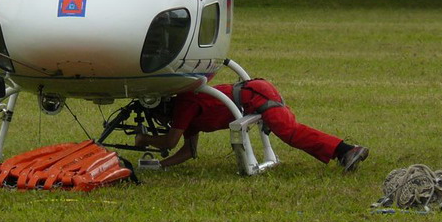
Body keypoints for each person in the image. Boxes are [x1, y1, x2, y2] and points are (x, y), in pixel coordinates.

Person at [135, 79, 369, 171]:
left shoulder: (184, 104)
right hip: (253, 95)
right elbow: (188, 151)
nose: (164, 123)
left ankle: (347, 150)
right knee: (291, 131)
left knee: (290, 132)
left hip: (255, 96)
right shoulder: (186, 113)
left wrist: (144, 140)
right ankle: (343, 152)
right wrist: (160, 165)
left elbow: (170, 142)